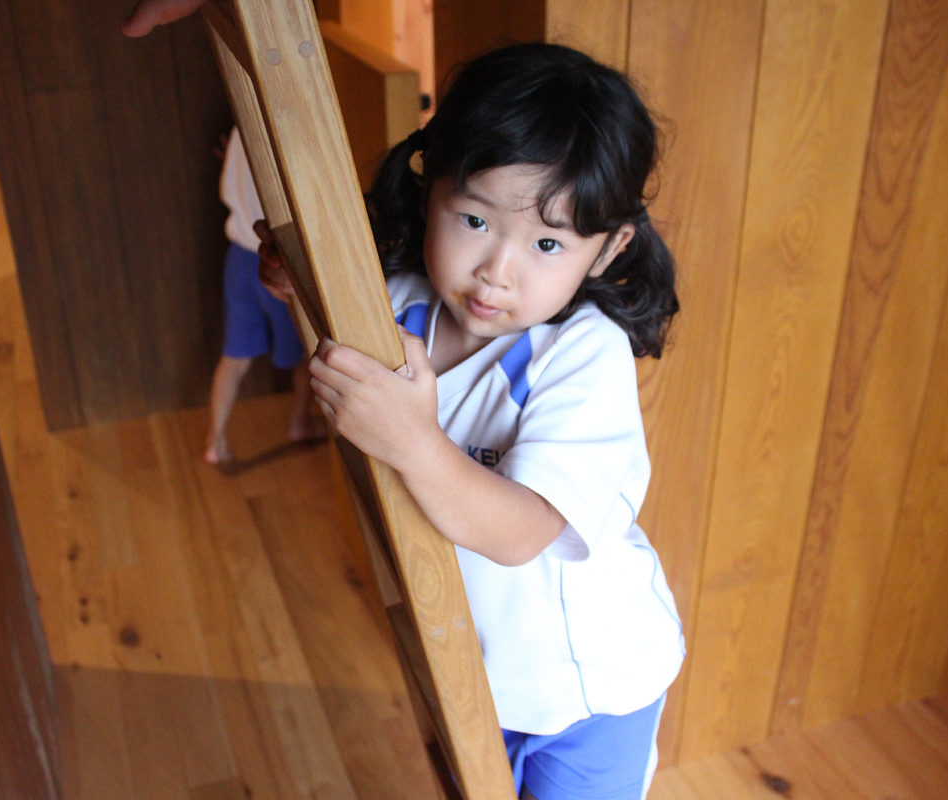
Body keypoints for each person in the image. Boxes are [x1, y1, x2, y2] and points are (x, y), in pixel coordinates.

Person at [261, 44, 684, 800]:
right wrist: (294, 276)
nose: (497, 270)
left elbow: (523, 533)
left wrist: (414, 443)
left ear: (608, 249)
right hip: (474, 669)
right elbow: (333, 336)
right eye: (475, 219)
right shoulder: (394, 304)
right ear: (431, 189)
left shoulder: (581, 353)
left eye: (547, 243)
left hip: (587, 690)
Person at [204, 128, 324, 464]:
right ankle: (299, 423)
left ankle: (216, 441)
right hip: (274, 260)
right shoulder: (287, 131)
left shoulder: (240, 130)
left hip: (238, 258)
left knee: (234, 356)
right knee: (305, 354)